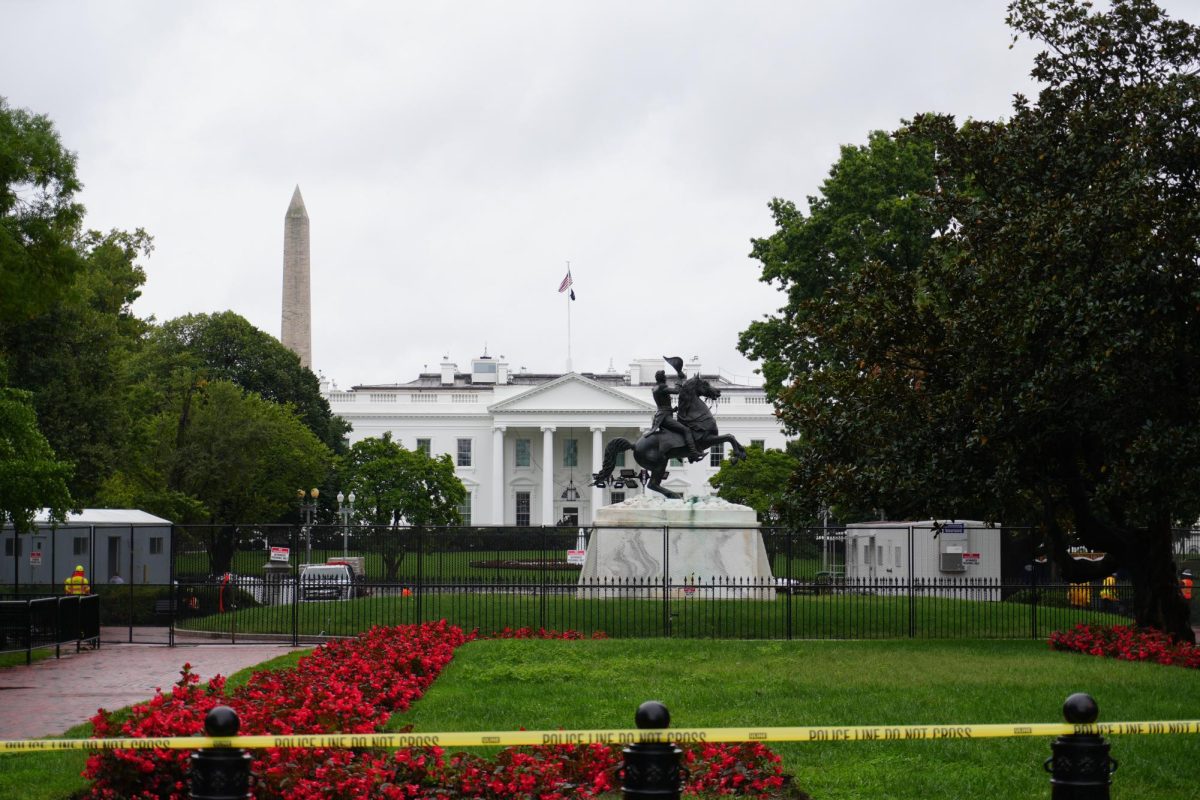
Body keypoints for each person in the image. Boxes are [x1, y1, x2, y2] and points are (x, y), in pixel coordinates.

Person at [649, 364, 701, 462]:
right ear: (662, 378)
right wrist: (679, 379)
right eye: (665, 377)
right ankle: (693, 453)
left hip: (662, 415)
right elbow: (677, 391)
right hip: (665, 418)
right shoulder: (662, 388)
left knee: (676, 432)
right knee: (686, 430)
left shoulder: (655, 388)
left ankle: (678, 453)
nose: (666, 378)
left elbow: (662, 405)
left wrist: (672, 410)